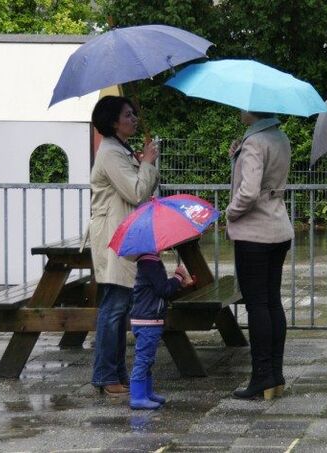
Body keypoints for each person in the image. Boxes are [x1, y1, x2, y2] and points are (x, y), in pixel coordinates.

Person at [89, 96, 160, 396]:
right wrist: (147, 163)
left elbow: (142, 190)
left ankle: (115, 373)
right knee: (114, 307)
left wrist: (144, 162)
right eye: (128, 115)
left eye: (133, 113)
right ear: (113, 121)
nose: (134, 119)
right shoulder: (111, 153)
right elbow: (135, 191)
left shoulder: (120, 149)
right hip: (113, 237)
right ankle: (106, 375)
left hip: (122, 234)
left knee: (118, 306)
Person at [226, 110, 294, 400]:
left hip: (254, 233)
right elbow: (265, 180)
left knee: (257, 306)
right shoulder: (280, 137)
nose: (240, 110)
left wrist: (230, 212)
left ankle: (261, 376)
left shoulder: (254, 142)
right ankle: (275, 375)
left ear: (254, 110)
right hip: (278, 227)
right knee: (272, 302)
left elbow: (249, 191)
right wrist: (236, 159)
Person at [129, 254, 193, 410]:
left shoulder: (150, 262)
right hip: (147, 320)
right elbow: (163, 289)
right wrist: (178, 277)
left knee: (148, 359)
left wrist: (176, 281)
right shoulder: (150, 263)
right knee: (143, 359)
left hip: (148, 319)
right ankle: (137, 396)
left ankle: (147, 392)